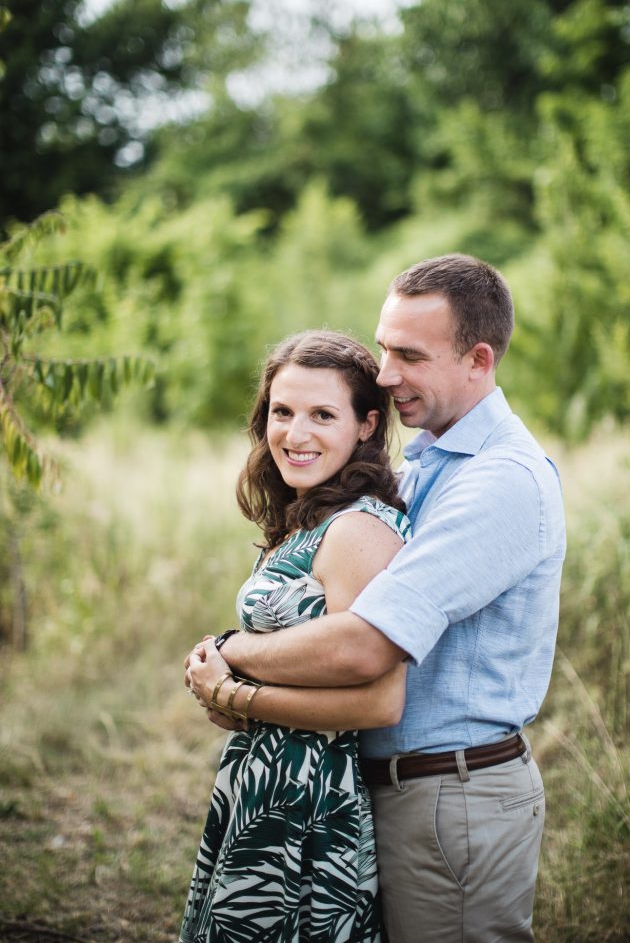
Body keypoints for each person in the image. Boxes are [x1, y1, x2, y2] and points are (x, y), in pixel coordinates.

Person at [200, 253, 567, 943]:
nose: (384, 372)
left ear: (478, 360)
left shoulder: (501, 482)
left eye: (408, 354)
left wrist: (231, 661)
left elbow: (368, 642)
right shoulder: (426, 463)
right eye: (381, 345)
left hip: (450, 799)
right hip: (387, 786)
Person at [180, 330, 411, 943]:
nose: (296, 434)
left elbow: (376, 702)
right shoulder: (307, 519)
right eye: (282, 412)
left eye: (322, 415)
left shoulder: (359, 528)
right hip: (262, 781)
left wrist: (234, 694)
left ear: (366, 425)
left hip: (307, 803)